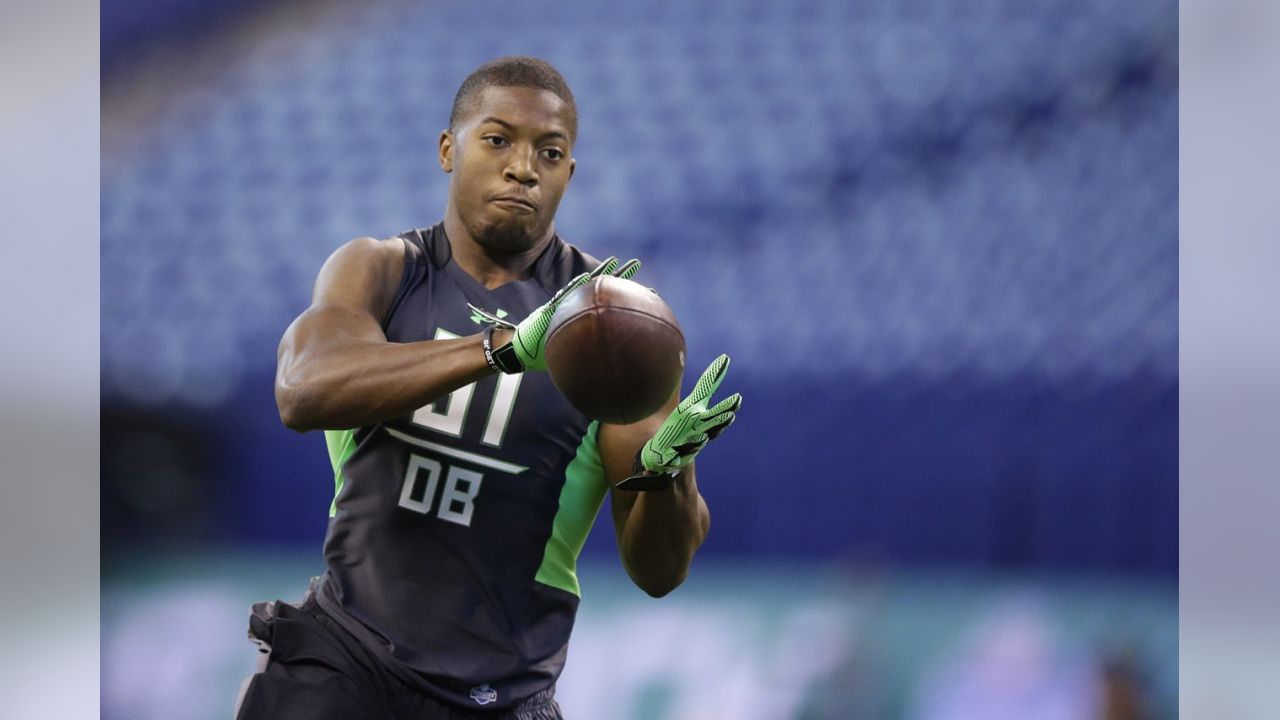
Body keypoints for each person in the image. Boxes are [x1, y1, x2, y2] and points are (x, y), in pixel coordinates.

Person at [233, 56, 742, 720]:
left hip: (502, 696)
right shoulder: (382, 271)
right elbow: (302, 391)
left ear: (568, 174)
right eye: (497, 139)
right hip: (347, 660)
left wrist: (667, 476)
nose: (522, 167)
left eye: (550, 152)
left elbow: (658, 573)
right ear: (450, 149)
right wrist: (501, 350)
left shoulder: (607, 328)